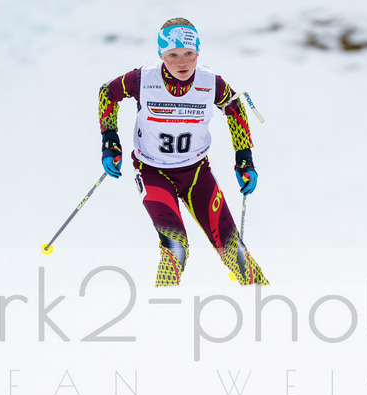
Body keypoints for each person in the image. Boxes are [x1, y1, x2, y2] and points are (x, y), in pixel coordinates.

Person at [98, 18, 268, 286]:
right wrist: (110, 142)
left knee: (233, 250)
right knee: (176, 247)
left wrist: (244, 159)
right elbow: (107, 94)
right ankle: (161, 309)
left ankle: (264, 302)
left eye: (189, 54)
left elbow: (235, 110)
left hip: (197, 174)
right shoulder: (142, 79)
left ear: (198, 52)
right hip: (153, 172)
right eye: (172, 55)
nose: (182, 63)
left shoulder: (211, 82)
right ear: (161, 55)